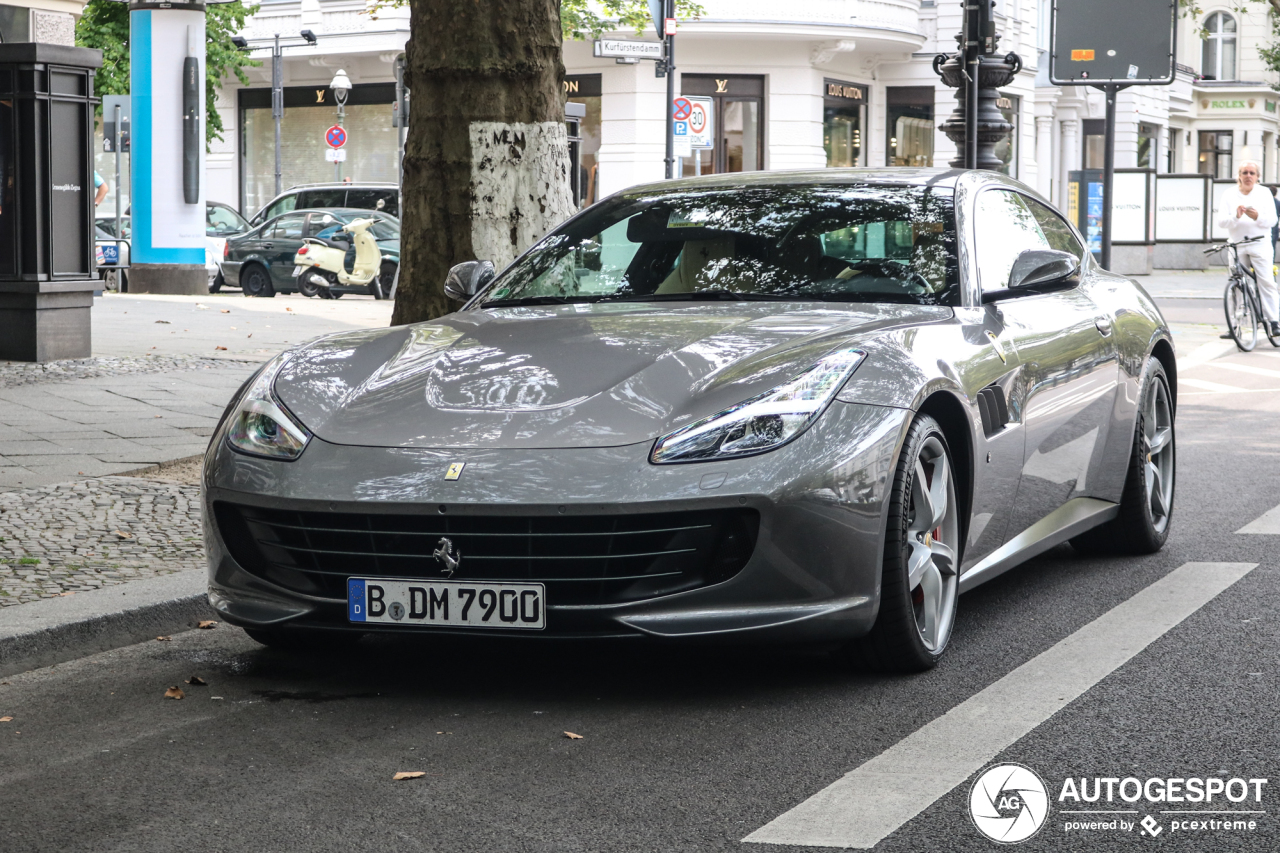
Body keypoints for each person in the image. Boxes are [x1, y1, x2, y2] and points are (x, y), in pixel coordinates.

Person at [1217, 160, 1280, 337]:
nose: (1248, 176)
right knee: (1235, 283)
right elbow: (1221, 221)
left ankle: (1274, 321)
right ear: (1239, 175)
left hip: (1259, 243)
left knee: (1266, 280)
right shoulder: (1229, 194)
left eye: (1252, 173)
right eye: (1245, 173)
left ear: (1257, 177)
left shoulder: (1264, 193)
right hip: (1237, 244)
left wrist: (1258, 216)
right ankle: (1234, 326)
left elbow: (1273, 221)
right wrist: (1235, 217)